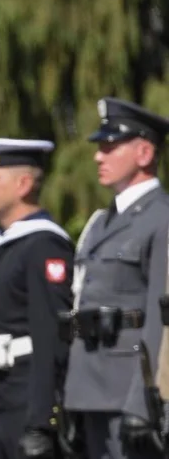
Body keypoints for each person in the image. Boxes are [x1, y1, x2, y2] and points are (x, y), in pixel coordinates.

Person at [0, 137, 74, 459]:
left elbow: (51, 335)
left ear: (23, 184)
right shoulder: (2, 246)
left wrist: (42, 421)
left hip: (25, 403)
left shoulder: (43, 245)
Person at [64, 97, 169, 459]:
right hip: (89, 390)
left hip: (130, 392)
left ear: (143, 153)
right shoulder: (99, 224)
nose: (98, 157)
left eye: (110, 147)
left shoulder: (161, 219)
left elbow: (161, 319)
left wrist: (143, 402)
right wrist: (72, 397)